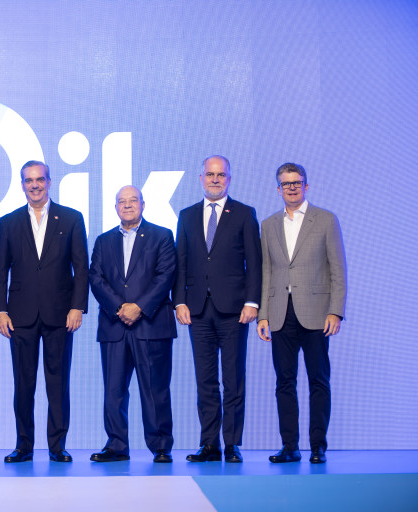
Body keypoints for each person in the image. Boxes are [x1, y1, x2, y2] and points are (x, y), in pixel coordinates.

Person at [0, 160, 89, 463]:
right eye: (28, 180)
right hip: (19, 316)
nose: (34, 185)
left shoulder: (71, 218)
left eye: (39, 179)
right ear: (22, 185)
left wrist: (77, 306)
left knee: (57, 383)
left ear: (49, 181)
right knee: (23, 384)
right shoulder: (8, 222)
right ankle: (23, 446)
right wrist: (0, 310)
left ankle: (57, 446)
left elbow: (81, 268)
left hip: (60, 314)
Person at [173, 155, 261, 463]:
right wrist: (179, 301)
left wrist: (252, 302)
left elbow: (254, 262)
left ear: (229, 179)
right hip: (197, 310)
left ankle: (232, 444)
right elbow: (181, 261)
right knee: (205, 380)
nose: (214, 179)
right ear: (201, 178)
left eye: (220, 175)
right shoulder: (187, 215)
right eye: (210, 174)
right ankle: (209, 444)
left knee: (233, 380)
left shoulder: (244, 213)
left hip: (234, 310)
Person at [257, 163, 346, 464]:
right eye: (286, 183)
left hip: (317, 314)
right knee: (284, 382)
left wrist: (336, 311)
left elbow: (338, 269)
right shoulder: (268, 224)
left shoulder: (326, 219)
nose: (292, 188)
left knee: (318, 380)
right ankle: (290, 446)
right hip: (280, 313)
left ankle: (318, 446)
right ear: (278, 188)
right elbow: (267, 271)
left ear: (306, 186)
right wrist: (263, 315)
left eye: (297, 182)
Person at [88, 186, 177, 463]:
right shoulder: (103, 241)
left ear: (143, 204)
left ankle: (160, 446)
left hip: (151, 324)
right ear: (116, 207)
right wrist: (119, 308)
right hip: (114, 327)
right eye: (122, 201)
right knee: (113, 391)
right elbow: (96, 278)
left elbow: (165, 276)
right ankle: (116, 445)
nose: (127, 205)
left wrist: (138, 307)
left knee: (155, 389)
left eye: (133, 200)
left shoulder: (162, 236)